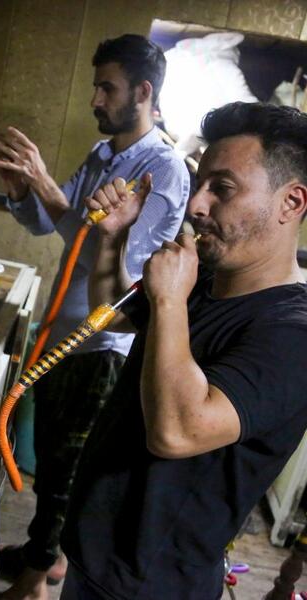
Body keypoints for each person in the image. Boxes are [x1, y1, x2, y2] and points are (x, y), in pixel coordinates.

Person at [59, 101, 307, 599]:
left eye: (224, 188)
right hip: (95, 557)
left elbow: (177, 431)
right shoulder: (206, 279)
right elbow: (113, 309)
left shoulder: (293, 333)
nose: (197, 203)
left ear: (291, 203)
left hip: (152, 586)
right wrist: (113, 238)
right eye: (200, 183)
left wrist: (171, 296)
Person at [0, 35, 189, 599]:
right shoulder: (105, 156)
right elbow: (52, 224)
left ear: (143, 92)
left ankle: (32, 584)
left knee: (68, 472)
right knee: (53, 464)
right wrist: (22, 190)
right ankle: (45, 558)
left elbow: (117, 257)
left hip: (104, 342)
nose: (96, 100)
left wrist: (48, 184)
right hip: (65, 334)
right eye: (97, 87)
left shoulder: (163, 169)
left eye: (108, 87)